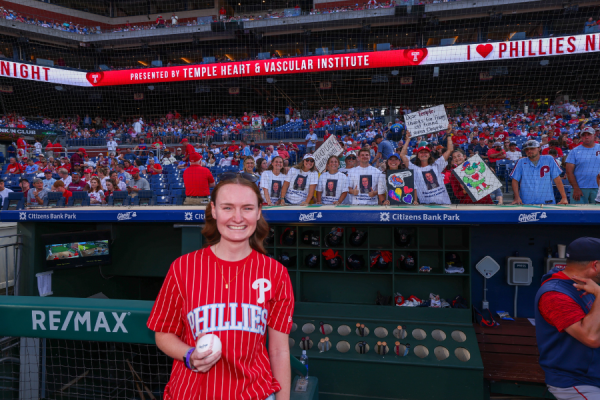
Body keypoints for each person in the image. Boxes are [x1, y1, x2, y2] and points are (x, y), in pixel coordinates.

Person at [147, 175, 293, 400]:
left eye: (247, 208)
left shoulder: (276, 273)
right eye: (227, 207)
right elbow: (163, 333)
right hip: (191, 393)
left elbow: (279, 350)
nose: (237, 218)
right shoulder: (183, 267)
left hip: (253, 394)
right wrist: (188, 355)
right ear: (214, 210)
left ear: (258, 211)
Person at [535, 237, 600, 400]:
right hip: (576, 383)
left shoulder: (591, 286)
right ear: (596, 265)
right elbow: (591, 338)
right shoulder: (554, 294)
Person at [400, 126, 454, 205]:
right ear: (417, 155)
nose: (424, 154)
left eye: (426, 152)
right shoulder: (414, 168)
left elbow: (450, 150)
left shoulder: (437, 165)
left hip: (444, 205)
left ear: (429, 155)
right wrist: (408, 139)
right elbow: (402, 155)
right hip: (425, 206)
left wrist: (448, 134)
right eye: (421, 152)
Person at [511, 140, 568, 205]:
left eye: (532, 148)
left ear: (539, 148)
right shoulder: (521, 162)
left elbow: (557, 179)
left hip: (547, 200)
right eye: (527, 149)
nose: (529, 151)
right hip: (526, 200)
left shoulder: (549, 159)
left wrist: (564, 197)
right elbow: (515, 180)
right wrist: (516, 197)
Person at [566, 127, 600, 204]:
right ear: (581, 137)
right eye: (584, 135)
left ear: (594, 135)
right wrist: (576, 188)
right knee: (577, 214)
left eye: (589, 134)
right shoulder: (574, 151)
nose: (586, 137)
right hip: (580, 188)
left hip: (598, 188)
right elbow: (569, 172)